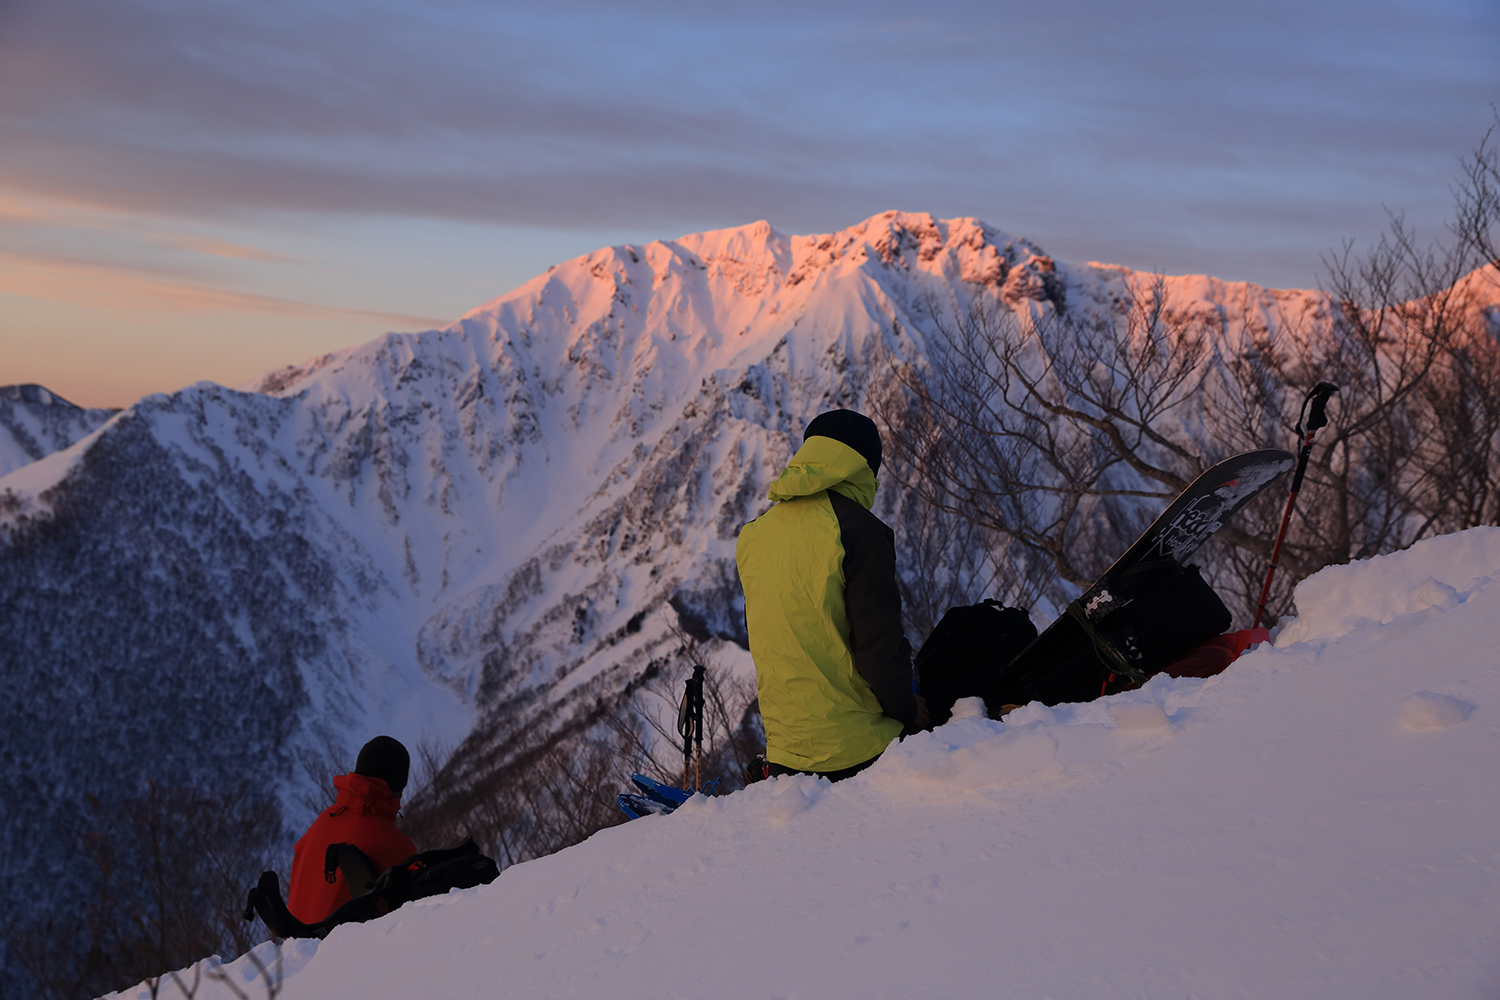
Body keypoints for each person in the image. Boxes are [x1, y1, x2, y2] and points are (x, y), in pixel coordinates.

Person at [735, 409, 927, 781]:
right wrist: (907, 709)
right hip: (856, 751)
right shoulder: (859, 530)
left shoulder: (754, 534)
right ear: (863, 468)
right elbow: (878, 651)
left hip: (785, 753)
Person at [287, 736, 418, 924]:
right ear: (397, 789)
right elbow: (420, 907)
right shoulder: (393, 843)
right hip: (338, 948)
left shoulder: (323, 820)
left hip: (296, 945)